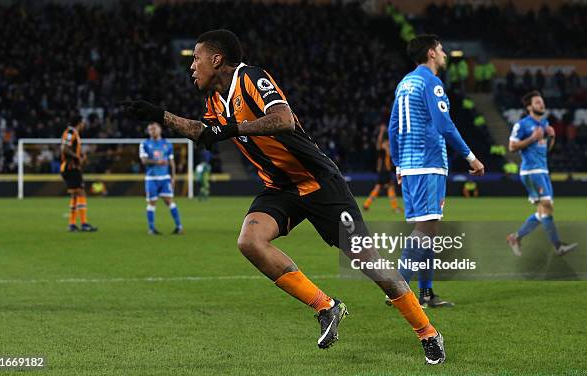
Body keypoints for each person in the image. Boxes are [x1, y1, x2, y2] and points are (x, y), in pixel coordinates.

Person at [122, 29, 446, 364]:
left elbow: (284, 120)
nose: (192, 67)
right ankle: (327, 307)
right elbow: (204, 133)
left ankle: (428, 333)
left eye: (196, 58)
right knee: (250, 241)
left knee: (370, 263)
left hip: (319, 182)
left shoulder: (251, 78)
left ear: (216, 59)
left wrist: (232, 128)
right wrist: (159, 114)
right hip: (280, 187)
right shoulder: (214, 100)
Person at [388, 34, 485, 308]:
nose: (444, 54)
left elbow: (393, 127)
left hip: (408, 166)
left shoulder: (404, 83)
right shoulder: (431, 82)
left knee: (428, 226)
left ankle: (426, 293)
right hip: (428, 162)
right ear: (431, 53)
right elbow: (444, 126)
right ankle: (397, 287)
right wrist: (471, 157)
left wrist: (397, 163)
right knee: (427, 227)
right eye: (442, 50)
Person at [506, 91, 577, 256]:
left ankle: (515, 237)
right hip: (531, 171)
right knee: (547, 206)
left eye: (542, 102)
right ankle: (558, 246)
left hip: (543, 170)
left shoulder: (544, 123)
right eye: (537, 102)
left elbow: (545, 149)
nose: (541, 105)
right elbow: (512, 147)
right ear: (529, 107)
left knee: (544, 211)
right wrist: (532, 137)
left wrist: (552, 137)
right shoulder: (522, 125)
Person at [139, 122, 183, 235]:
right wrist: (157, 162)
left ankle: (179, 227)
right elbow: (143, 160)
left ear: (160, 130)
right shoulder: (144, 144)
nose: (153, 131)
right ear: (148, 131)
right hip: (151, 178)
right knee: (151, 202)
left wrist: (173, 177)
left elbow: (172, 162)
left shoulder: (167, 144)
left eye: (154, 128)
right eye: (150, 129)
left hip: (164, 178)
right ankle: (151, 229)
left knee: (170, 201)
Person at [60, 115, 97, 232]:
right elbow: (64, 148)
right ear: (79, 123)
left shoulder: (73, 133)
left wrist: (81, 157)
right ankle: (84, 223)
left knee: (75, 195)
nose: (84, 125)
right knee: (81, 193)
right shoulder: (71, 132)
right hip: (71, 168)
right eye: (83, 122)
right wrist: (77, 157)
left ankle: (72, 224)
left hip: (72, 167)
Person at [363, 122, 401, 213]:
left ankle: (366, 205)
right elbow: (379, 142)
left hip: (383, 172)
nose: (387, 143)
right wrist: (381, 131)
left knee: (378, 187)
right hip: (384, 172)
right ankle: (395, 208)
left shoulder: (387, 151)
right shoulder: (382, 151)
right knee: (390, 187)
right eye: (386, 143)